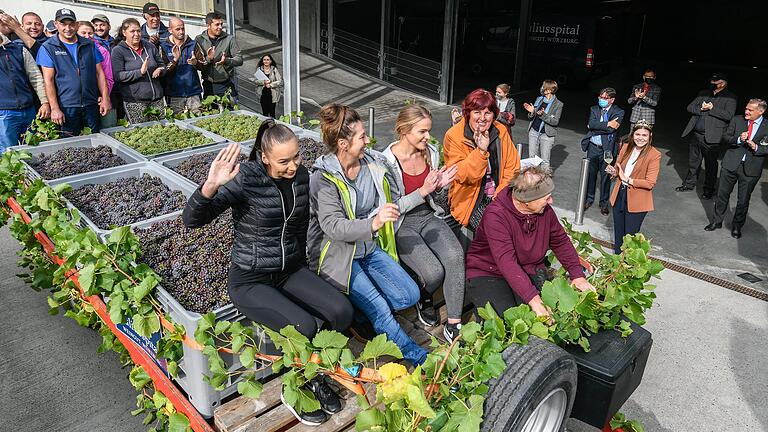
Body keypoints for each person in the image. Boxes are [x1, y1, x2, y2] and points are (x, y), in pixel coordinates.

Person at [183, 124, 353, 427]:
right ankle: (298, 386)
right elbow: (193, 220)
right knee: (304, 326)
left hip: (289, 271)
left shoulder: (301, 177)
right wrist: (210, 185)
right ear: (264, 158)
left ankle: (321, 370)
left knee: (341, 311)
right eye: (283, 161)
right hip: (251, 279)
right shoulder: (246, 179)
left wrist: (308, 273)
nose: (293, 166)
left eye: (296, 157)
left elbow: (299, 228)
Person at [308, 103, 428, 366]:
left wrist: (423, 192)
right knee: (381, 309)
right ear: (342, 143)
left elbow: (394, 204)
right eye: (361, 136)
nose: (368, 140)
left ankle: (361, 314)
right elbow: (333, 227)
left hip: (367, 248)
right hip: (340, 256)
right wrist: (373, 223)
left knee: (409, 295)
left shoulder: (374, 165)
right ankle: (415, 355)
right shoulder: (323, 178)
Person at [381, 105, 465, 342]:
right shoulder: (385, 162)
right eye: (422, 132)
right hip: (401, 224)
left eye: (428, 131)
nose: (428, 137)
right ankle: (423, 296)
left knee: (455, 255)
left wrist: (441, 186)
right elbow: (391, 208)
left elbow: (433, 198)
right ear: (404, 130)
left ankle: (454, 323)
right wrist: (423, 190)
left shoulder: (430, 152)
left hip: (427, 216)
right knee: (434, 272)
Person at [465, 166, 596, 317]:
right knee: (507, 318)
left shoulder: (544, 211)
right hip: (489, 272)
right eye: (546, 198)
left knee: (548, 313)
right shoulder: (496, 216)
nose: (551, 201)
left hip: (527, 269)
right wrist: (533, 299)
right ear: (526, 201)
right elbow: (507, 262)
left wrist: (577, 274)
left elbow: (560, 241)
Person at [443, 88, 520, 246]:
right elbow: (464, 175)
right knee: (498, 235)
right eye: (477, 112)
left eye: (488, 113)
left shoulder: (500, 131)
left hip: (500, 195)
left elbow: (512, 168)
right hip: (471, 200)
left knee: (528, 226)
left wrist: (499, 197)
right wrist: (481, 151)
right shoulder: (454, 136)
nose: (482, 118)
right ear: (468, 113)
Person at [37, 8, 110, 136]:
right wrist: (55, 108)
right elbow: (48, 81)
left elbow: (100, 73)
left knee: (95, 142)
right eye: (63, 24)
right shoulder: (48, 48)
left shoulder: (89, 45)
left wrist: (105, 98)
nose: (68, 28)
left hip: (90, 104)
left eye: (71, 24)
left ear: (76, 25)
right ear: (56, 24)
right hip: (66, 107)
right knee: (70, 146)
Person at [705, 99, 767, 239]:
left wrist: (756, 147)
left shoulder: (767, 126)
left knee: (743, 200)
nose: (746, 112)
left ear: (761, 111)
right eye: (746, 108)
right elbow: (725, 137)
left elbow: (766, 147)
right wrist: (738, 139)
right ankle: (716, 221)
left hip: (751, 169)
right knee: (722, 195)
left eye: (750, 110)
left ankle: (737, 227)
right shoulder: (737, 120)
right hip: (730, 164)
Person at [677, 73, 737, 199]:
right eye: (712, 81)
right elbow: (690, 107)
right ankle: (689, 184)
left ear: (723, 82)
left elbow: (729, 115)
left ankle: (709, 190)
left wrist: (712, 108)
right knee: (693, 162)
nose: (714, 84)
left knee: (710, 165)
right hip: (696, 135)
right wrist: (702, 109)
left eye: (716, 81)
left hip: (712, 137)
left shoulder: (730, 97)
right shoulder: (704, 93)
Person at [605, 121, 661, 254]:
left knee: (630, 238)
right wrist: (614, 172)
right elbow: (620, 170)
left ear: (650, 136)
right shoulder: (625, 147)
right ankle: (617, 265)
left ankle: (629, 268)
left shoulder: (654, 154)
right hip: (619, 194)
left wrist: (628, 180)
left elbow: (650, 182)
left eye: (644, 135)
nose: (640, 138)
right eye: (637, 134)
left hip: (637, 200)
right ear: (633, 135)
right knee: (619, 234)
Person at [0, 27, 49, 150]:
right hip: (4, 112)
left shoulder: (18, 50)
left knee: (32, 148)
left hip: (28, 109)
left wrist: (45, 102)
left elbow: (36, 76)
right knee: (8, 151)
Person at [111, 18, 167, 124]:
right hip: (135, 101)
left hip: (157, 99)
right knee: (141, 132)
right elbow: (117, 76)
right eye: (132, 31)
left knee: (160, 130)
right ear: (124, 32)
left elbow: (162, 65)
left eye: (138, 31)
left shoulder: (149, 46)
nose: (136, 34)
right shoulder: (118, 51)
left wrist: (160, 69)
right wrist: (140, 72)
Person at [580, 87, 624, 215]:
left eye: (605, 98)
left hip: (608, 149)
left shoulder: (619, 112)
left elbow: (611, 130)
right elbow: (591, 124)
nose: (601, 100)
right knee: (591, 174)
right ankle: (589, 199)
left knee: (606, 177)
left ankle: (604, 204)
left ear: (612, 100)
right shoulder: (594, 109)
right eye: (600, 97)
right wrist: (607, 124)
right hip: (593, 147)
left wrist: (594, 127)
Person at [159, 18, 204, 116]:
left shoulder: (193, 44)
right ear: (170, 30)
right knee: (177, 122)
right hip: (174, 94)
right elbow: (163, 71)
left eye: (183, 28)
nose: (181, 32)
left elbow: (204, 66)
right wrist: (175, 61)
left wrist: (195, 63)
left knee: (199, 120)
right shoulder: (163, 47)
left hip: (193, 92)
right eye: (178, 29)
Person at [76, 21, 116, 129]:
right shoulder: (71, 50)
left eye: (90, 33)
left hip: (96, 99)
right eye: (83, 33)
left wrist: (104, 97)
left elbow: (107, 77)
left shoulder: (101, 50)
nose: (87, 36)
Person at [196, 12, 242, 100]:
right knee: (210, 112)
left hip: (225, 84)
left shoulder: (229, 39)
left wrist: (227, 61)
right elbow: (198, 63)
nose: (220, 27)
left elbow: (239, 59)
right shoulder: (199, 39)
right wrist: (209, 58)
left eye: (221, 24)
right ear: (208, 25)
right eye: (217, 24)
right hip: (208, 84)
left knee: (229, 111)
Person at [524, 79, 563, 168]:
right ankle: (532, 180)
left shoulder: (558, 104)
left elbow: (555, 121)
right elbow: (532, 117)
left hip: (547, 134)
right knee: (532, 158)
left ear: (549, 90)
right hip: (534, 131)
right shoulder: (539, 99)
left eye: (544, 86)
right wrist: (531, 112)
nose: (542, 88)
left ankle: (544, 181)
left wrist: (543, 115)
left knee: (545, 160)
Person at [254, 54, 282, 118]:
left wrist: (271, 85)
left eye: (267, 60)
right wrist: (263, 82)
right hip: (262, 94)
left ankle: (273, 126)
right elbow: (255, 81)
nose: (266, 61)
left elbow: (279, 81)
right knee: (265, 113)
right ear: (262, 61)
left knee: (272, 113)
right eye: (264, 60)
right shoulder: (259, 69)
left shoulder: (274, 69)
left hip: (272, 94)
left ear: (270, 61)